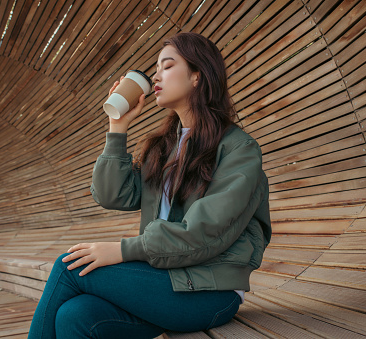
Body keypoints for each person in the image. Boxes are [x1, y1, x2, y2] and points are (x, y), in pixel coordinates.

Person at [28, 32, 271, 339]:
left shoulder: (238, 149)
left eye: (167, 66)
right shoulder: (166, 147)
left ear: (197, 76)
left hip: (211, 290)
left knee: (68, 267)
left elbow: (206, 231)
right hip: (165, 278)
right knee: (75, 316)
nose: (156, 75)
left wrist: (124, 250)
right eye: (156, 68)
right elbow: (112, 194)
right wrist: (117, 127)